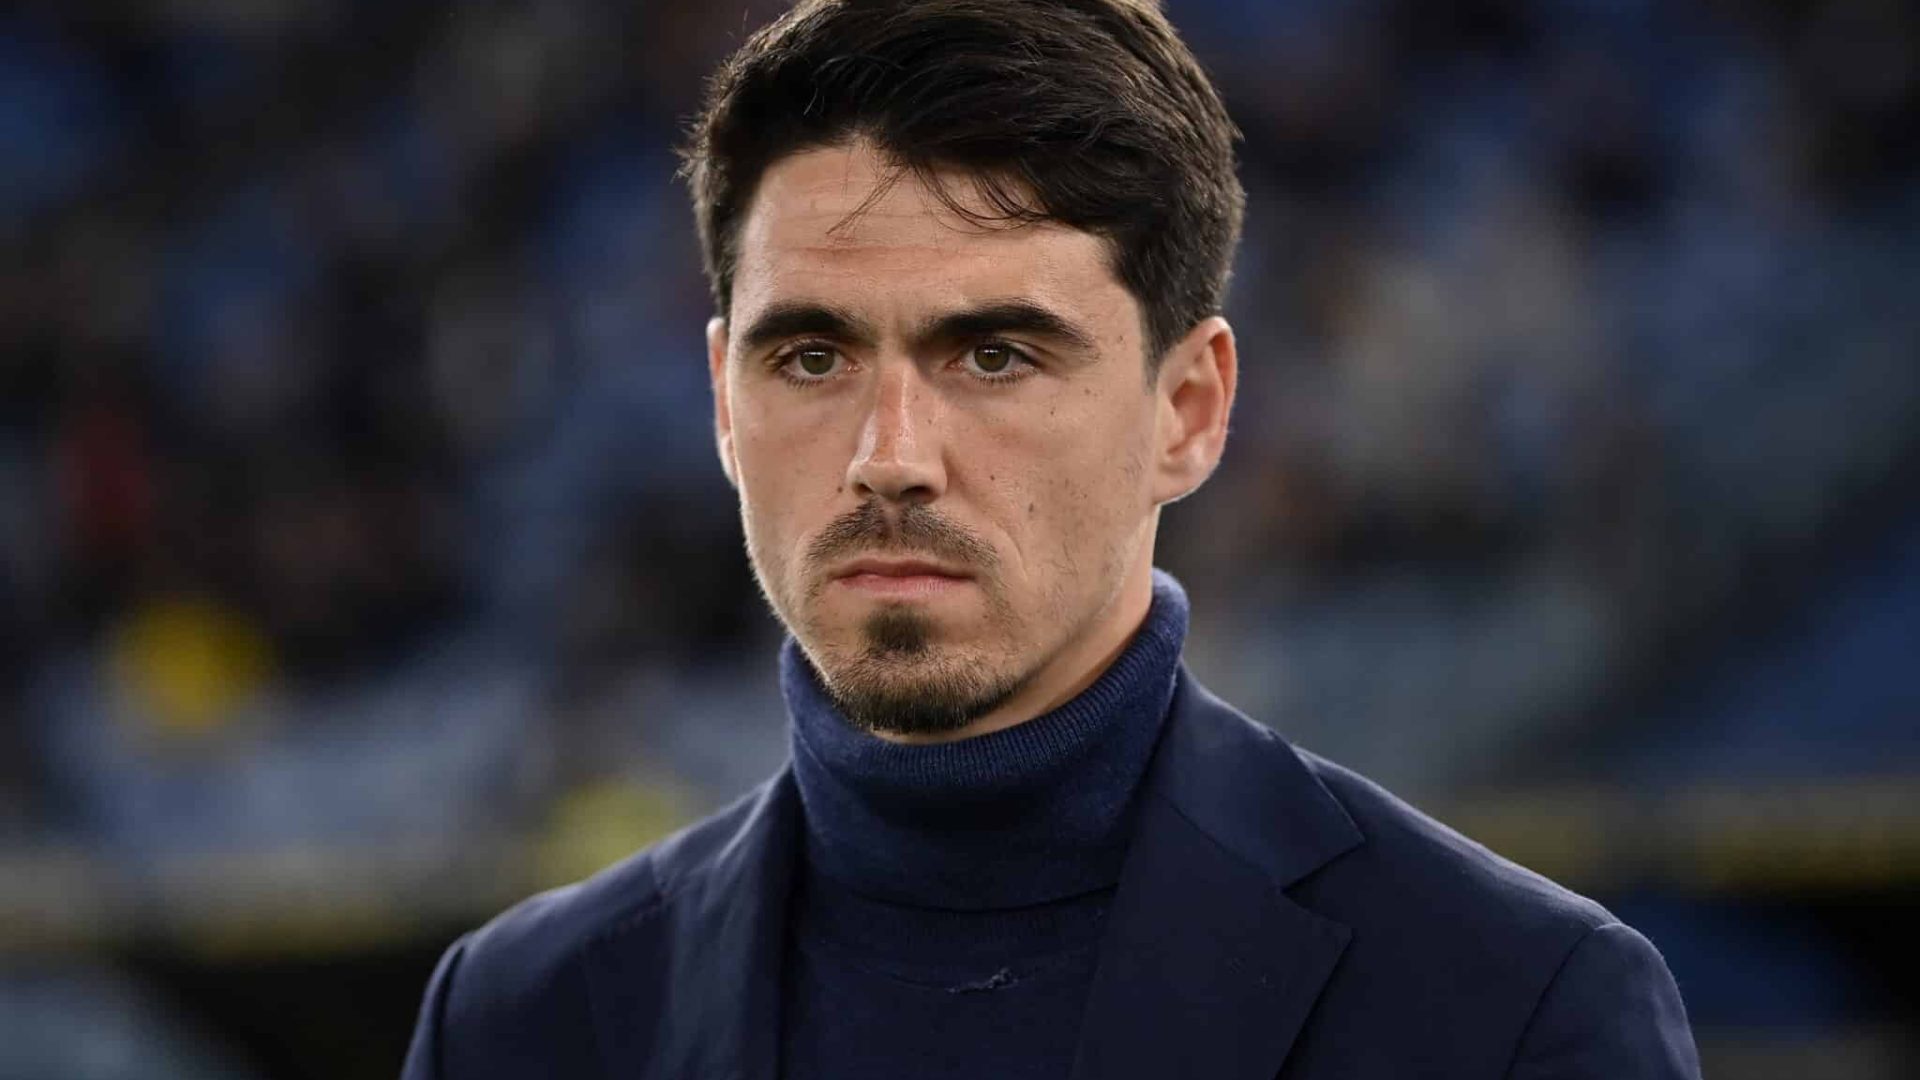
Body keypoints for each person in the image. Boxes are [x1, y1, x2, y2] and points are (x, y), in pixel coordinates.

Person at [402, 1, 1701, 1077]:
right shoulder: (516, 1024)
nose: (890, 455)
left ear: (1187, 412)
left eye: (996, 354)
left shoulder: (1514, 1011)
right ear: (722, 406)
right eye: (811, 356)